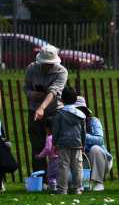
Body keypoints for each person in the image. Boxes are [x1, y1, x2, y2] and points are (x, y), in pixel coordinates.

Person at [24, 44, 68, 174]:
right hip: (34, 111)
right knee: (37, 145)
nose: (47, 66)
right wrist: (33, 94)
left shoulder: (61, 72)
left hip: (55, 111)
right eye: (45, 63)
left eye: (50, 64)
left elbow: (54, 91)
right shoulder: (31, 69)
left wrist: (42, 107)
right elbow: (26, 87)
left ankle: (59, 177)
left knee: (57, 145)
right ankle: (40, 177)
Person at [50, 91, 87, 194]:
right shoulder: (81, 115)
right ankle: (78, 189)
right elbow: (83, 132)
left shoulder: (59, 114)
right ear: (75, 100)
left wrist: (54, 143)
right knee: (77, 167)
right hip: (77, 144)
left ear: (62, 100)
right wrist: (83, 144)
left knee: (63, 167)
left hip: (63, 144)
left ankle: (62, 189)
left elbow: (55, 130)